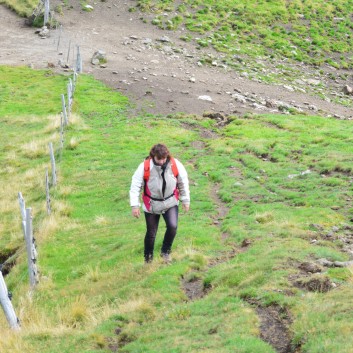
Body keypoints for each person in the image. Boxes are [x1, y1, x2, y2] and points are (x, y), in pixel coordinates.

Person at [130, 144, 190, 263]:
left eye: (164, 158)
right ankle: (148, 259)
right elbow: (135, 186)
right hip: (151, 204)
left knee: (172, 226)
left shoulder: (175, 164)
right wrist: (134, 205)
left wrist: (185, 200)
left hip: (170, 202)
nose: (162, 161)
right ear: (153, 157)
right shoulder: (144, 167)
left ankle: (165, 252)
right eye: (159, 159)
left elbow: (183, 181)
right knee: (151, 233)